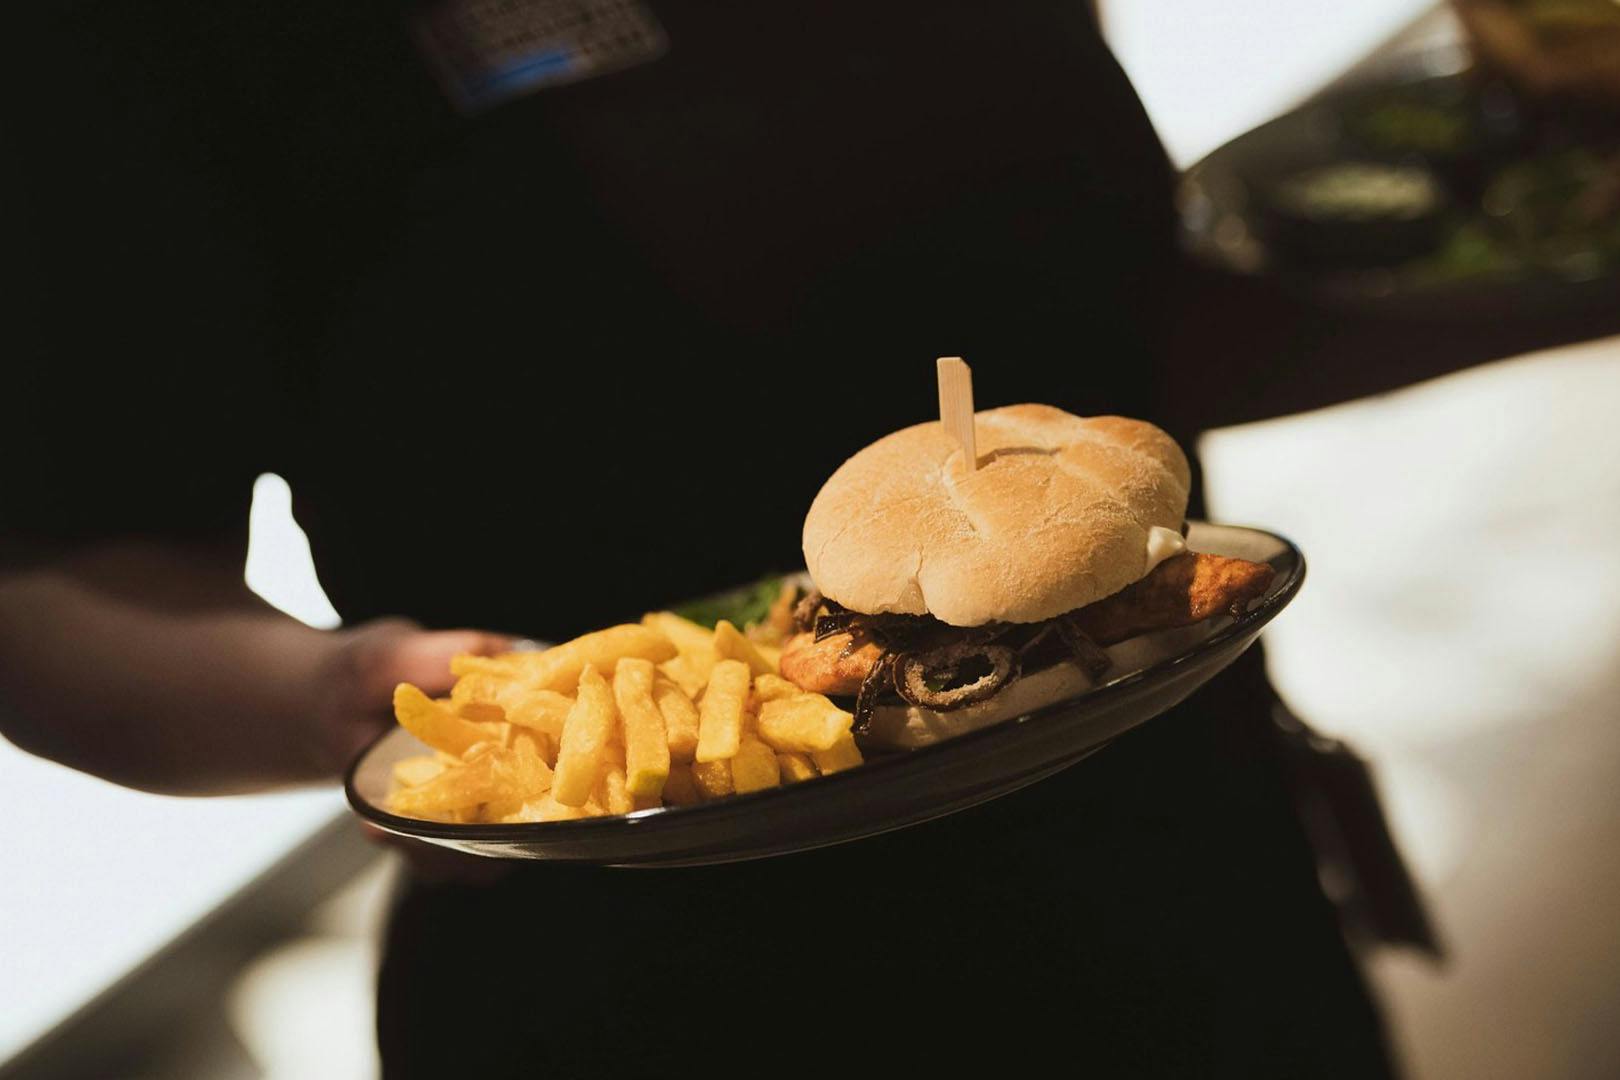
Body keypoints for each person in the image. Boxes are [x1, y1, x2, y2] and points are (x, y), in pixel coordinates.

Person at [2, 1, 1396, 1075]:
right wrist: (335, 699)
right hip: (643, 977)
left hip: (1182, 865)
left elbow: (1102, 324)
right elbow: (49, 595)